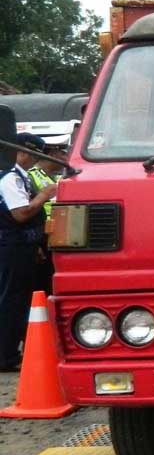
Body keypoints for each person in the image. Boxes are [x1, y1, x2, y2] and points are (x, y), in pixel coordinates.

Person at [0, 133, 56, 371]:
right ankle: (6, 355)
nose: (33, 160)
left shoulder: (23, 178)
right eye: (32, 155)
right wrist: (44, 195)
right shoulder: (10, 179)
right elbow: (20, 214)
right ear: (21, 153)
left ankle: (17, 348)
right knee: (11, 299)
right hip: (11, 247)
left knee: (22, 298)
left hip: (25, 246)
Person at [29, 143, 67, 294]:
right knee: (42, 281)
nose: (66, 157)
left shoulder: (59, 177)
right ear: (52, 154)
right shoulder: (31, 176)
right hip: (42, 235)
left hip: (58, 235)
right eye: (63, 153)